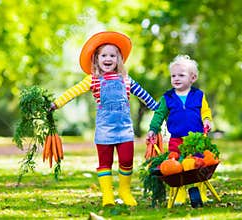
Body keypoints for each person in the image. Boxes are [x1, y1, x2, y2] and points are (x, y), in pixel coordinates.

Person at [51, 31, 159, 207]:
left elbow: (145, 96)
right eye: (104, 55)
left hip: (124, 130)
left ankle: (124, 191)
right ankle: (107, 195)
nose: (108, 59)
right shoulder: (92, 80)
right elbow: (73, 92)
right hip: (104, 131)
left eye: (112, 55)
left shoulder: (126, 79)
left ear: (119, 59)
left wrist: (158, 109)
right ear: (96, 59)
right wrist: (56, 104)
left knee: (126, 161)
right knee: (105, 163)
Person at [146, 55, 212, 204]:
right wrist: (152, 129)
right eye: (173, 76)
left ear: (192, 78)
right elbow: (159, 114)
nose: (176, 78)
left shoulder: (198, 95)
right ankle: (180, 193)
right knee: (176, 166)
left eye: (181, 75)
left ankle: (201, 191)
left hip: (196, 139)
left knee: (198, 165)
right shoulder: (167, 97)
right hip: (176, 139)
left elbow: (205, 111)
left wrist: (207, 121)